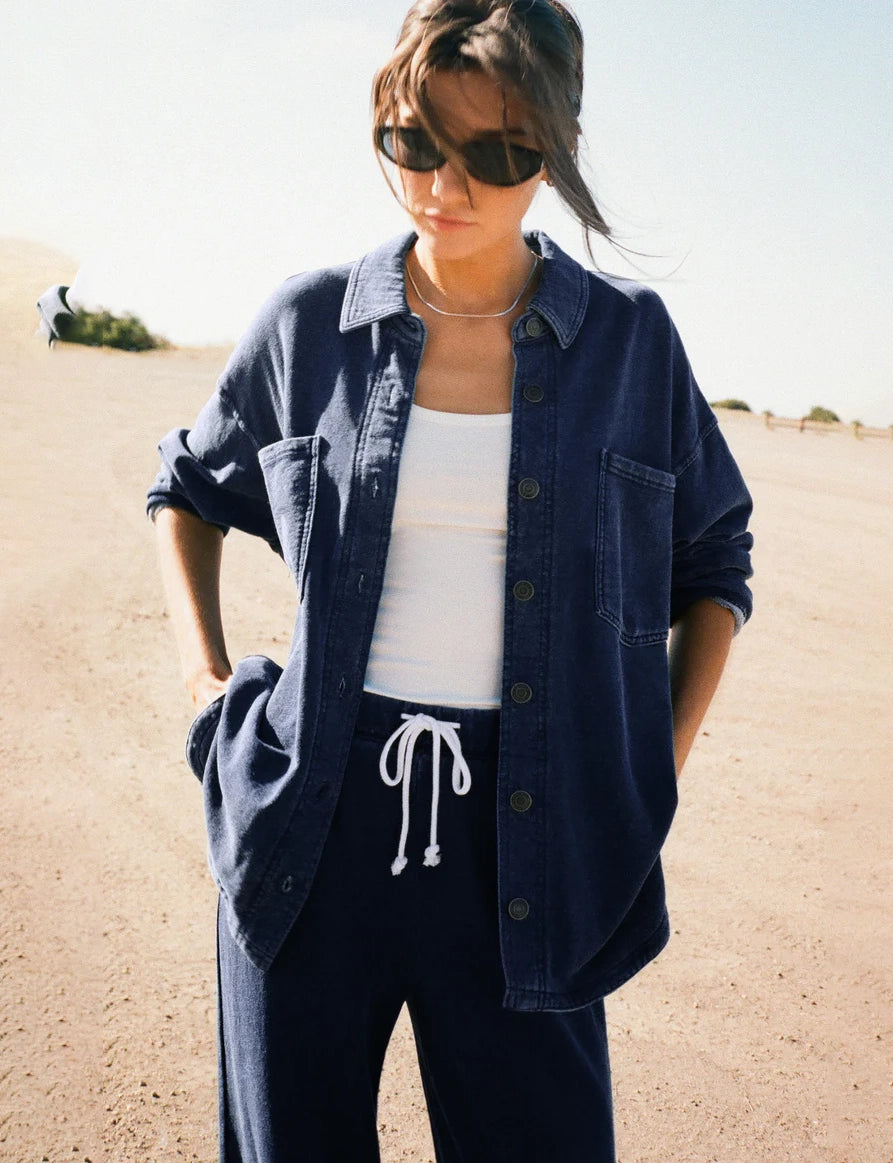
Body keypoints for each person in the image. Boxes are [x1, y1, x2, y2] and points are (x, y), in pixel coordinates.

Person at [147, 1, 753, 1159]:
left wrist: (650, 765)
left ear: (558, 145)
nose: (446, 184)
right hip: (311, 822)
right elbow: (185, 489)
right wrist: (204, 681)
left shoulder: (629, 345)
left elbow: (714, 564)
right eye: (415, 142)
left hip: (539, 829)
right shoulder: (310, 324)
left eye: (499, 153)